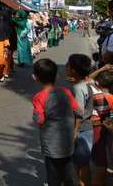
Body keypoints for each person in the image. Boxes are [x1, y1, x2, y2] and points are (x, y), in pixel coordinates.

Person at [32, 58, 80, 186]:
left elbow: (40, 119)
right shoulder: (66, 92)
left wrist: (35, 114)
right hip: (68, 141)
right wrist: (75, 130)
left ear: (36, 78)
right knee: (69, 171)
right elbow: (78, 110)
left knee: (54, 176)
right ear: (56, 75)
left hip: (51, 144)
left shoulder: (39, 97)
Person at [67, 54, 94, 185]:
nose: (66, 66)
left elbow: (78, 112)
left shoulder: (78, 89)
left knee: (81, 164)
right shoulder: (86, 83)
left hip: (82, 129)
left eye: (68, 64)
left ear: (73, 70)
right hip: (87, 128)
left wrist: (75, 132)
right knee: (82, 162)